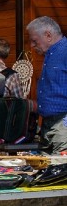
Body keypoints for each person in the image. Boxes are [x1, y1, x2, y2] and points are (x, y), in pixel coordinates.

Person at [27, 16, 67, 153]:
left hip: (63, 126)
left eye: (34, 40)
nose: (32, 45)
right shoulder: (49, 55)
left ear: (48, 35)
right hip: (47, 126)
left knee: (61, 170)